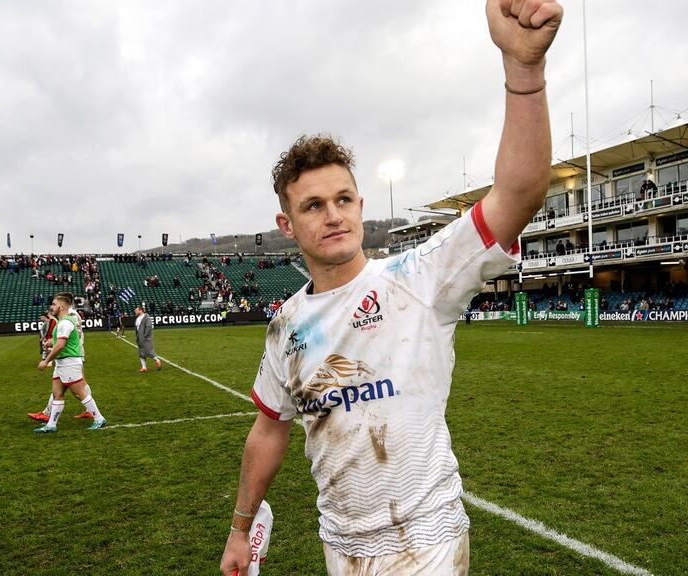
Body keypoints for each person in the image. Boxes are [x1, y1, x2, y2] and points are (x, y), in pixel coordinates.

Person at [219, 2, 563, 574]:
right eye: (313, 205)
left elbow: (518, 194)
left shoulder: (420, 276)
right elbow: (269, 430)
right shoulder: (286, 326)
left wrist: (523, 70)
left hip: (427, 541)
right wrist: (239, 529)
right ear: (287, 225)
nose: (333, 215)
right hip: (341, 545)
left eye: (343, 199)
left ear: (360, 205)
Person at [33, 292, 107, 433]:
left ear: (61, 307)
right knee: (57, 393)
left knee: (79, 393)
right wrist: (51, 342)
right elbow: (61, 342)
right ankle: (51, 424)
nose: (51, 307)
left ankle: (99, 418)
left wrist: (46, 361)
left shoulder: (65, 323)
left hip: (69, 362)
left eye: (54, 304)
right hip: (63, 362)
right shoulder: (62, 322)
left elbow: (61, 346)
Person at [28, 308, 94, 423]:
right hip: (69, 353)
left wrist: (55, 343)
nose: (53, 307)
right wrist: (54, 341)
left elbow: (76, 334)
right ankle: (47, 413)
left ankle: (93, 412)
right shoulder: (68, 314)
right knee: (60, 386)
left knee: (79, 385)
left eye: (55, 303)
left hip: (72, 353)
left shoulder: (71, 314)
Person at [134, 306, 163, 372]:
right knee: (141, 353)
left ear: (140, 310)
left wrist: (145, 336)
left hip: (145, 338)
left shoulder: (146, 317)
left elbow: (149, 327)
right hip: (139, 338)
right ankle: (144, 367)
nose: (135, 311)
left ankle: (157, 360)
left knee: (149, 351)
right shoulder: (138, 318)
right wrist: (137, 337)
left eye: (136, 310)